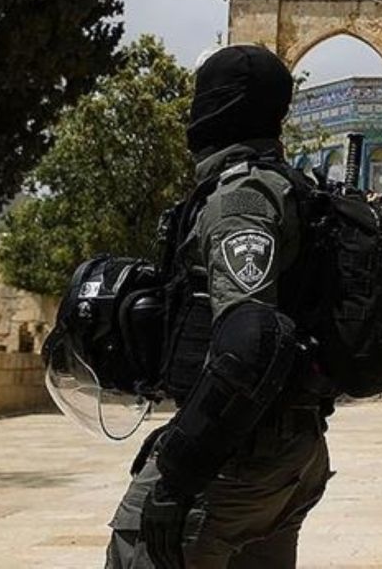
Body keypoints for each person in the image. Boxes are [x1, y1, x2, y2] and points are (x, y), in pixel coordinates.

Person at [106, 44, 333, 568]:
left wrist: (182, 468)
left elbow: (251, 340)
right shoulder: (296, 189)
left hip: (236, 458)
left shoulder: (242, 197)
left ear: (220, 107)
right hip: (288, 449)